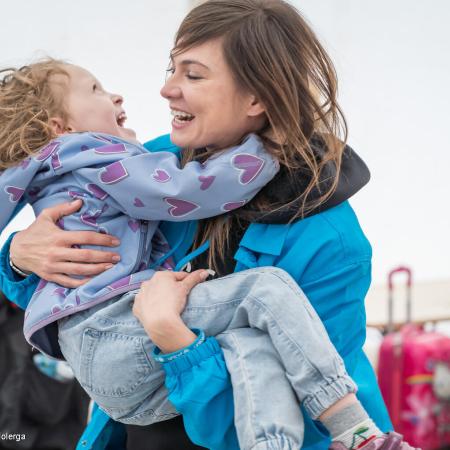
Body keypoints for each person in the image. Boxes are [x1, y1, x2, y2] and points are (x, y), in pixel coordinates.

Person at [0, 1, 414, 449]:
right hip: (127, 421)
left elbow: (302, 421)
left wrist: (178, 343)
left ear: (258, 97)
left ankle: (361, 435)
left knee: (258, 321)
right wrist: (20, 256)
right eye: (171, 69)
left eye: (192, 75)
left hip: (228, 432)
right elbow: (75, 288)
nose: (165, 90)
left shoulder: (328, 242)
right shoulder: (150, 168)